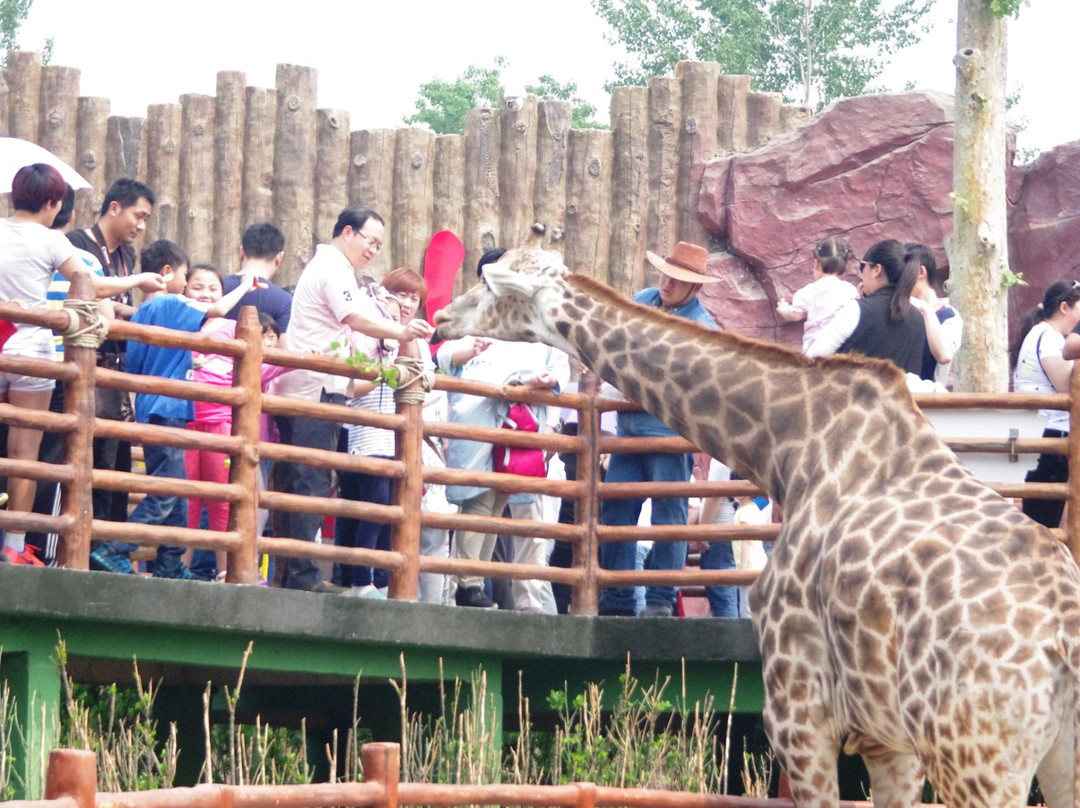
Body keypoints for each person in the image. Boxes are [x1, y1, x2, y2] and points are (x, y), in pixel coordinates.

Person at [0, 166, 163, 565]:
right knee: (25, 452)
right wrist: (137, 279)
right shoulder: (52, 241)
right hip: (33, 348)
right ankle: (14, 547)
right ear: (54, 203)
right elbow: (91, 284)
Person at [268, 207, 432, 593]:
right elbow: (355, 318)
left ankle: (294, 575)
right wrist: (402, 330)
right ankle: (302, 579)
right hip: (313, 390)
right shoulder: (333, 269)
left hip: (316, 387)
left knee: (303, 481)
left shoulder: (337, 270)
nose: (374, 249)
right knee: (308, 482)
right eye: (370, 241)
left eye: (379, 244)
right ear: (347, 232)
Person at [90, 241, 256, 576]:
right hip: (169, 406)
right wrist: (244, 286)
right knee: (166, 490)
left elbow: (135, 366)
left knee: (176, 489)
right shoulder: (173, 301)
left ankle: (170, 563)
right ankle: (116, 546)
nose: (189, 287)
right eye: (185, 277)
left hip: (153, 404)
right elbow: (219, 311)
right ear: (167, 273)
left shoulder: (143, 312)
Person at [437, 248, 571, 610]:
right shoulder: (478, 315)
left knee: (497, 503)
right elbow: (444, 355)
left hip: (519, 427)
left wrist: (546, 379)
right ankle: (468, 583)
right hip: (480, 421)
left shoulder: (531, 323)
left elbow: (560, 367)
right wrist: (465, 354)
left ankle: (473, 582)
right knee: (478, 501)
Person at [597, 241, 720, 618]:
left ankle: (660, 600)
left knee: (669, 515)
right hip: (633, 431)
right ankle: (618, 597)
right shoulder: (645, 299)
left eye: (677, 278)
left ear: (694, 287)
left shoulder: (701, 328)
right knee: (618, 510)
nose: (667, 282)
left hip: (669, 435)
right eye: (667, 273)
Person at [182, 265, 289, 580]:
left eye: (213, 288)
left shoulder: (234, 328)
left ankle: (226, 572)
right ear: (184, 291)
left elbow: (263, 367)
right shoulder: (178, 321)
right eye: (197, 287)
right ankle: (176, 569)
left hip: (221, 427)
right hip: (185, 422)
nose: (206, 294)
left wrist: (298, 358)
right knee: (185, 500)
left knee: (223, 503)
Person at [67, 178, 156, 528]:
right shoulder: (76, 243)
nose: (141, 225)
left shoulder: (125, 254)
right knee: (89, 458)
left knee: (117, 462)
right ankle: (87, 544)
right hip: (87, 367)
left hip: (116, 373)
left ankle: (108, 546)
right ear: (114, 207)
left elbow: (115, 307)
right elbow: (91, 297)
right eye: (138, 215)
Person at [1013, 280, 1080, 529]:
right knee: (1045, 521)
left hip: (1041, 432)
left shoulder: (1041, 334)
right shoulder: (1049, 338)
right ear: (1064, 307)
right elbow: (1066, 386)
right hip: (1051, 435)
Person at [806, 239, 926, 375]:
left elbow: (814, 356)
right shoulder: (918, 318)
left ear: (876, 270)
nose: (862, 274)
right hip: (898, 395)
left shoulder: (856, 310)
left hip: (852, 394)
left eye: (862, 266)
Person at [775, 237, 857, 354]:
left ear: (817, 264)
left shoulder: (807, 292)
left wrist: (783, 310)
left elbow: (795, 316)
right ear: (845, 266)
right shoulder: (851, 291)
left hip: (814, 349)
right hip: (843, 348)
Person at [907, 243, 963, 387]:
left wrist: (926, 310)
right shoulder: (900, 310)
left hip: (929, 402)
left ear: (920, 272)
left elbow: (945, 355)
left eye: (902, 273)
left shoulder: (949, 316)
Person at [221, 223, 293, 331]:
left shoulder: (215, 288)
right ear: (279, 257)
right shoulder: (285, 301)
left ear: (241, 252)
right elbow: (284, 347)